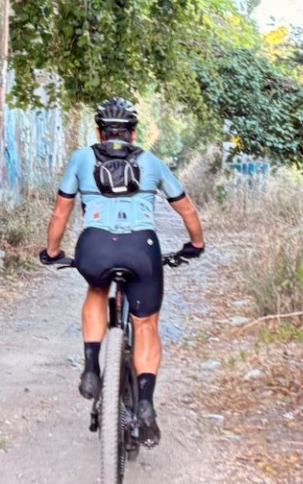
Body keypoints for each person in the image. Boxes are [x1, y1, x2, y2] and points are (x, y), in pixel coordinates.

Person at [37, 98, 205, 446]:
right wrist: (195, 245)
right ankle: (145, 404)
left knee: (96, 289)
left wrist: (52, 252)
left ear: (98, 132)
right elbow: (187, 210)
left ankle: (90, 367)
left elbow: (60, 212)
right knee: (146, 325)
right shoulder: (152, 162)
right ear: (134, 133)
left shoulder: (81, 158)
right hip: (141, 249)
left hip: (95, 247)